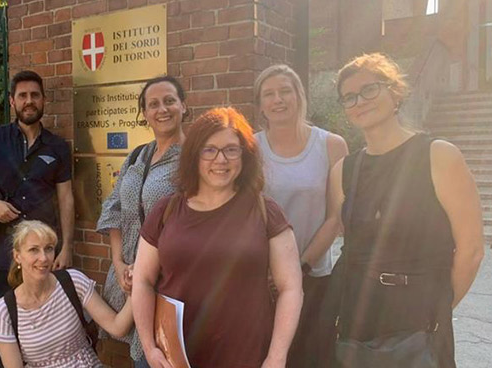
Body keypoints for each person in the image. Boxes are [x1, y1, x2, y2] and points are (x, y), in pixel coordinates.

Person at [324, 53, 485, 367]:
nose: (360, 101)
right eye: (349, 97)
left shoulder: (438, 156)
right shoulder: (344, 171)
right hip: (356, 319)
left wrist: (438, 308)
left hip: (418, 321)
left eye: (370, 89)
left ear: (393, 91)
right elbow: (352, 242)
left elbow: (472, 250)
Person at [132, 107, 304, 368]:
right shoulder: (165, 211)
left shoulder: (266, 212)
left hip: (247, 356)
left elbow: (290, 288)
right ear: (194, 156)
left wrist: (276, 357)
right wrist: (150, 347)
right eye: (209, 150)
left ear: (244, 155)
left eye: (231, 149)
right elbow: (142, 281)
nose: (220, 159)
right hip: (177, 357)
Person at [0, 70, 75, 367]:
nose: (29, 101)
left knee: (39, 317)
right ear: (12, 101)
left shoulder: (58, 147)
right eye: (23, 96)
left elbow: (66, 198)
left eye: (35, 95)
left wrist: (66, 247)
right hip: (0, 244)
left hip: (40, 250)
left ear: (44, 100)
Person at [253, 64, 348, 367]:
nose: (278, 99)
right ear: (261, 105)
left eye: (285, 91)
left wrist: (300, 266)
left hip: (313, 275)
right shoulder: (250, 148)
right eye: (269, 94)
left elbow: (335, 217)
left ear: (299, 95)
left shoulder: (331, 145)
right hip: (260, 279)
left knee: (311, 358)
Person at [95, 75, 187, 367]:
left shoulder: (195, 159)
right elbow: (115, 209)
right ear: (144, 114)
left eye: (170, 101)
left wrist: (147, 269)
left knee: (158, 355)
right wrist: (120, 264)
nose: (162, 109)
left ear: (184, 106)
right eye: (153, 104)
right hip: (127, 280)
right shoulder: (137, 155)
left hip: (167, 281)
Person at [0, 220, 134, 368]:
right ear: (17, 256)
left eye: (48, 248)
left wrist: (135, 287)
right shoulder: (5, 311)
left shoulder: (72, 282)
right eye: (34, 250)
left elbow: (117, 327)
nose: (44, 258)